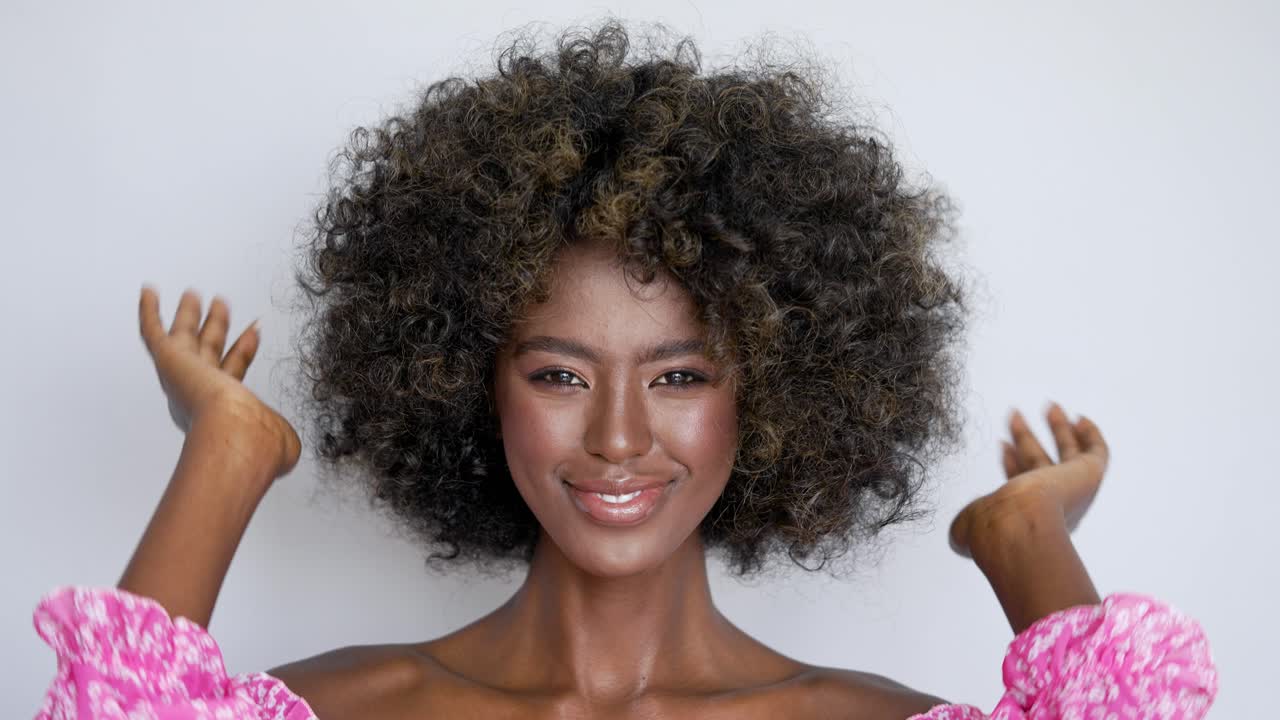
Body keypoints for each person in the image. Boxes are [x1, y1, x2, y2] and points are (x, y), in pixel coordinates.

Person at [32, 20, 1216, 719]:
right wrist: (227, 452)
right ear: (466, 380)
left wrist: (1021, 533)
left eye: (679, 376)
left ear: (778, 391)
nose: (613, 438)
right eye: (555, 374)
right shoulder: (351, 706)